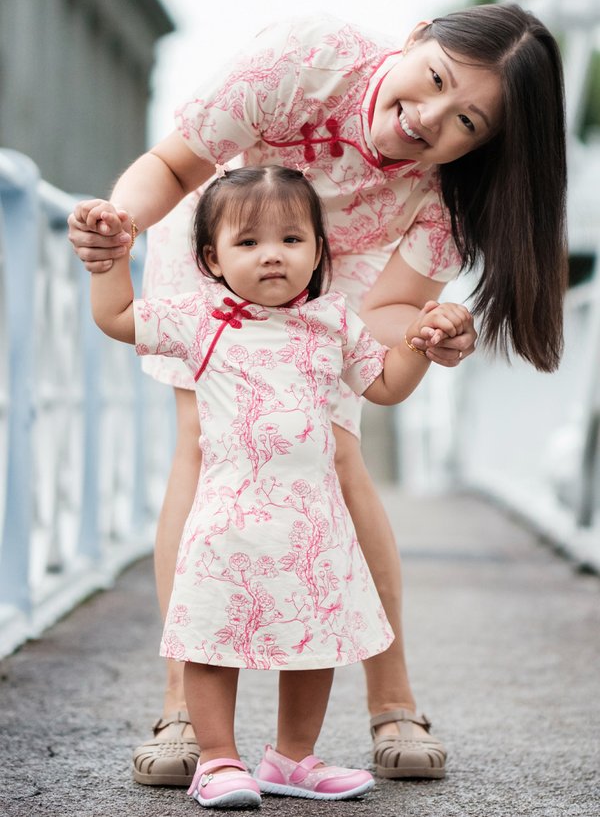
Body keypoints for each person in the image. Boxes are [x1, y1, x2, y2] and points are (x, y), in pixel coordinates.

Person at [68, 2, 567, 784]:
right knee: (207, 446)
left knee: (332, 454)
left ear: (486, 143)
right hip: (225, 242)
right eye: (432, 79)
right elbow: (172, 169)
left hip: (336, 280)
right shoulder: (310, 58)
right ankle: (182, 706)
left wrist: (431, 333)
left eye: (465, 120)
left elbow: (393, 311)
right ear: (415, 39)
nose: (426, 118)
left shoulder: (452, 196)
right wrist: (115, 229)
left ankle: (390, 695)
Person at [88, 164, 472, 808]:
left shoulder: (333, 322)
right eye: (248, 243)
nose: (273, 255)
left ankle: (292, 758)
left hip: (312, 523)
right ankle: (217, 759)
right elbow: (118, 316)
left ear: (319, 252)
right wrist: (111, 260)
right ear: (211, 258)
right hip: (228, 518)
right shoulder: (199, 319)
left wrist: (422, 341)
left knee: (311, 641)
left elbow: (385, 386)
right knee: (213, 639)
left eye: (292, 240)